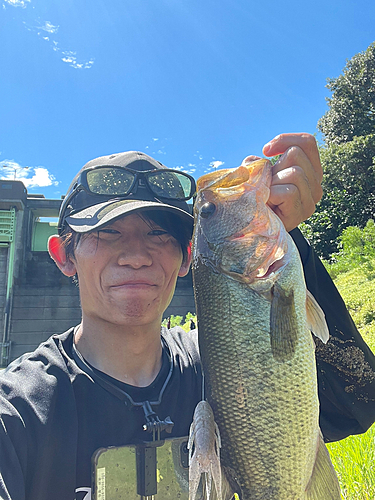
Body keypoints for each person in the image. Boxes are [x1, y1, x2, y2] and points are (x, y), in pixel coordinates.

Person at [0, 134, 374, 500]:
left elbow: (354, 406)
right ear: (64, 256)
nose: (136, 255)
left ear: (185, 257)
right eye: (108, 232)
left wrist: (289, 248)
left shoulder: (216, 360)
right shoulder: (17, 411)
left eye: (160, 234)